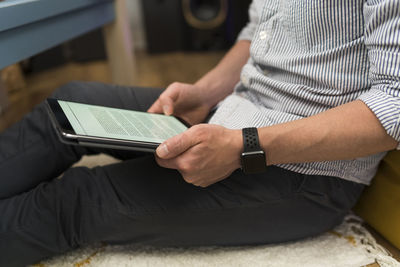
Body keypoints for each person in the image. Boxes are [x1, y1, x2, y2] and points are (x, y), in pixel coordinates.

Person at [1, 0, 399, 266]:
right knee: (73, 106)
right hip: (228, 116)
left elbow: (394, 104)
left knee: (81, 198)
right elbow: (256, 34)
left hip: (302, 171)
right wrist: (205, 91)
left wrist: (244, 146)